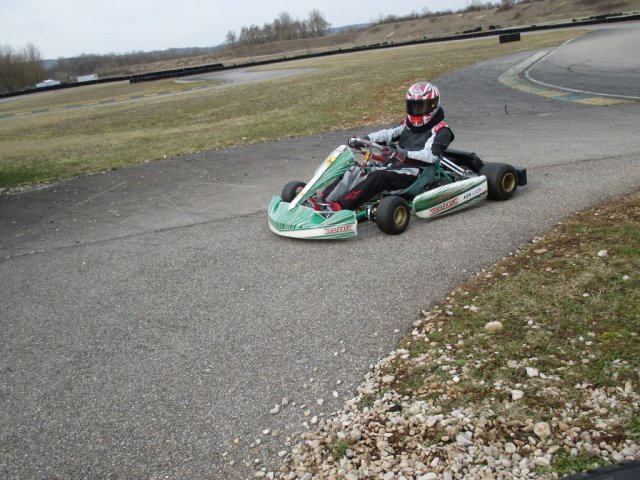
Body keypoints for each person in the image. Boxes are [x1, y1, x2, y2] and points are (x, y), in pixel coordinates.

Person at [319, 81, 454, 212]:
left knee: (378, 177)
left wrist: (402, 153)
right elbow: (388, 134)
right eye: (413, 106)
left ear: (432, 105)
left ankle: (340, 208)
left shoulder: (441, 130)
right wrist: (364, 139)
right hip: (394, 166)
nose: (416, 111)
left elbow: (430, 156)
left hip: (416, 172)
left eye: (420, 106)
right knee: (354, 169)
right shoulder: (407, 125)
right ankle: (323, 202)